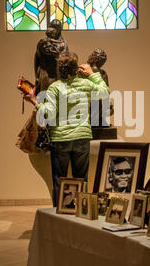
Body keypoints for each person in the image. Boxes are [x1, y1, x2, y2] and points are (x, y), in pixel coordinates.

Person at [25, 53, 110, 206]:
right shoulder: (86, 85)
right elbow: (104, 92)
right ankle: (82, 213)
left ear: (59, 70)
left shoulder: (55, 88)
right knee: (81, 179)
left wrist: (34, 101)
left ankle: (61, 214)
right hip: (82, 138)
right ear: (76, 69)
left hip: (61, 139)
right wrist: (92, 74)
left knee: (59, 180)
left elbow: (49, 113)